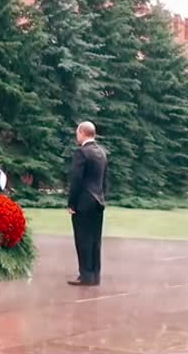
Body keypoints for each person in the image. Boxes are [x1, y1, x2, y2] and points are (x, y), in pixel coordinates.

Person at [67, 121, 108, 286]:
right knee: (95, 239)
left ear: (82, 133)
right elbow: (104, 180)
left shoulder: (82, 153)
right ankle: (95, 275)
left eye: (78, 133)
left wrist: (71, 203)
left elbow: (76, 180)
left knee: (82, 238)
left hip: (84, 201)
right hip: (98, 201)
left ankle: (85, 276)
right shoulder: (102, 153)